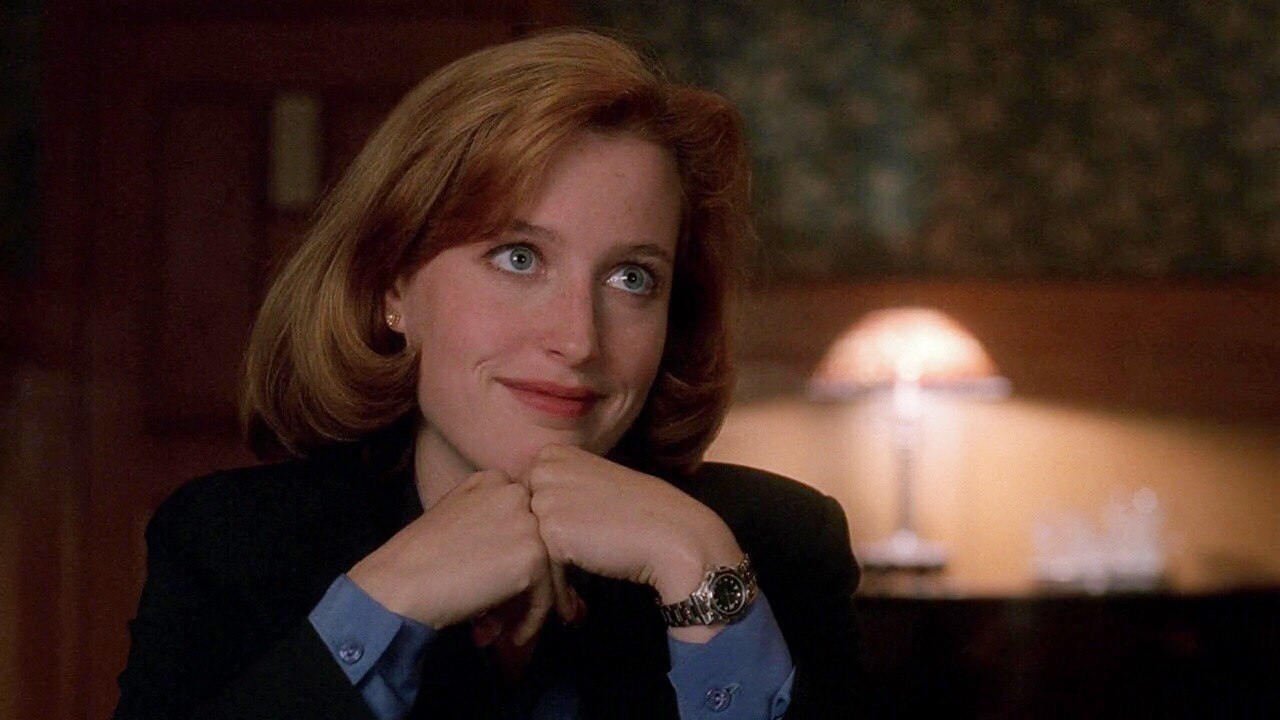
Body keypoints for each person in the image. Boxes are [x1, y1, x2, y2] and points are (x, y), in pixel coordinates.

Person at [113, 29, 864, 720]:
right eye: (519, 258)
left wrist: (700, 573)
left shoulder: (778, 547)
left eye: (632, 278)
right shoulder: (228, 544)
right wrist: (386, 600)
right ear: (392, 283)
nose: (577, 340)